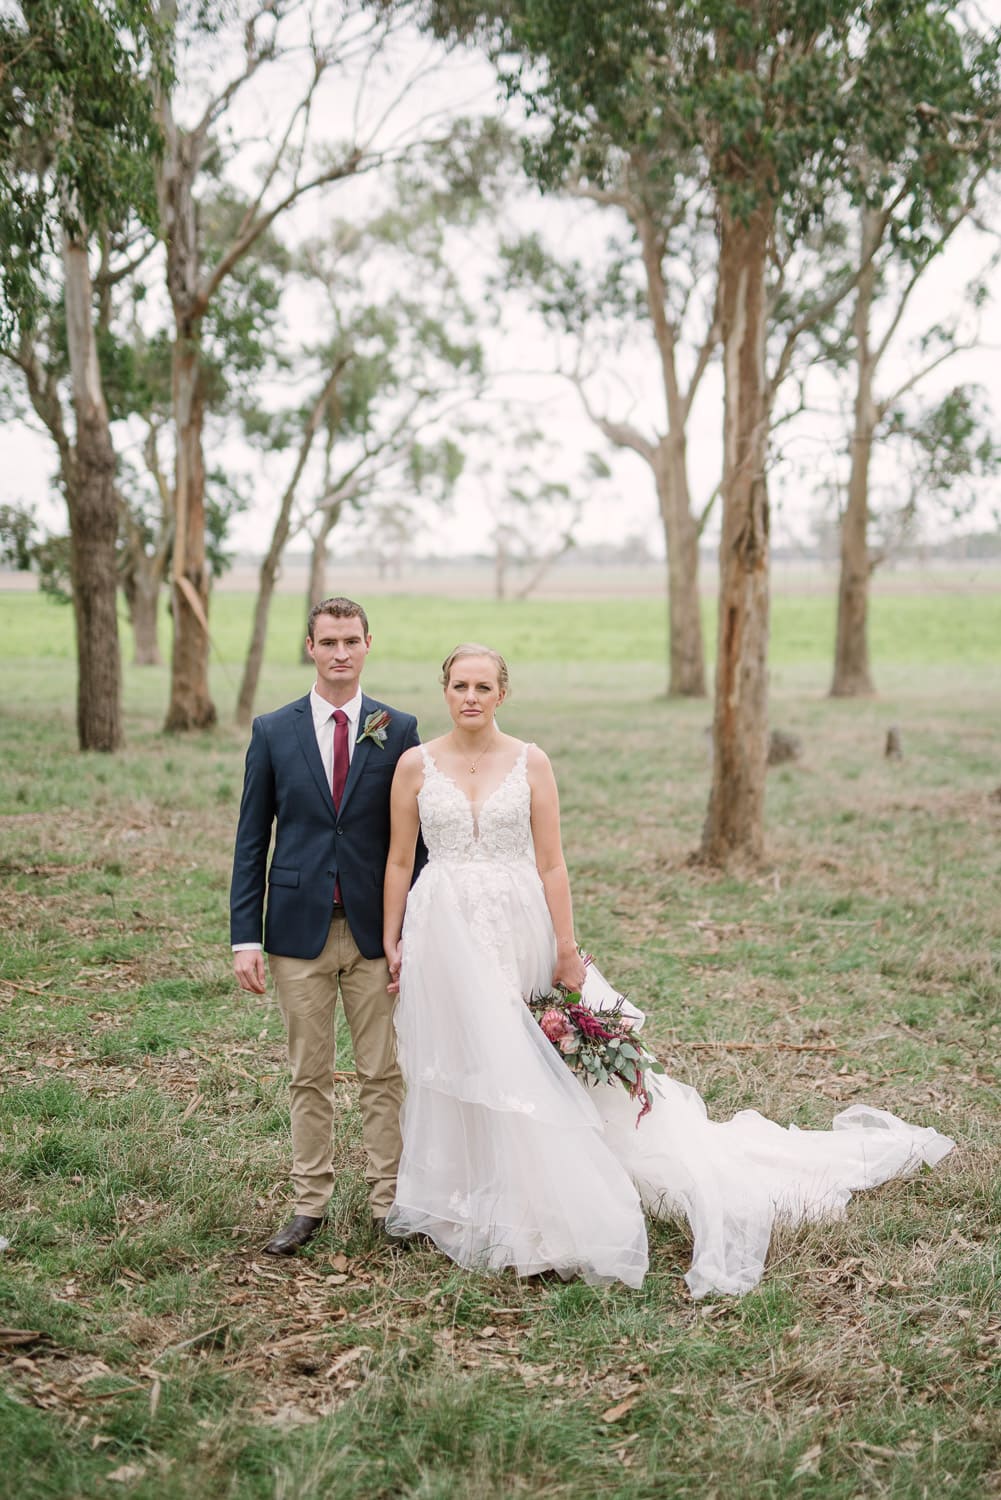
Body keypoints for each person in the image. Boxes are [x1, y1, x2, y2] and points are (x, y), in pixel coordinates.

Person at [380, 644, 955, 1295]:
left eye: (483, 685)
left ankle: (538, 1192)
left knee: (527, 1053)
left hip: (519, 924)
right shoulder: (413, 765)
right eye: (459, 685)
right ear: (445, 691)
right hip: (443, 929)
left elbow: (552, 864)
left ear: (502, 693)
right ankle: (464, 1185)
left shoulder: (530, 761)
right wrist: (391, 937)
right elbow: (401, 861)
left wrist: (566, 949)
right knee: (461, 1056)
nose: (470, 697)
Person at [231, 597, 421, 1256]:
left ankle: (388, 1204)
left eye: (351, 641)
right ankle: (308, 1204)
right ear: (309, 647)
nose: (340, 653)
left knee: (381, 1074)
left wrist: (412, 933)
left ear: (368, 644)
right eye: (328, 642)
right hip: (294, 933)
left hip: (374, 932)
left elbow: (413, 842)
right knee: (307, 1074)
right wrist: (244, 936)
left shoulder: (398, 730)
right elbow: (251, 839)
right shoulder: (273, 731)